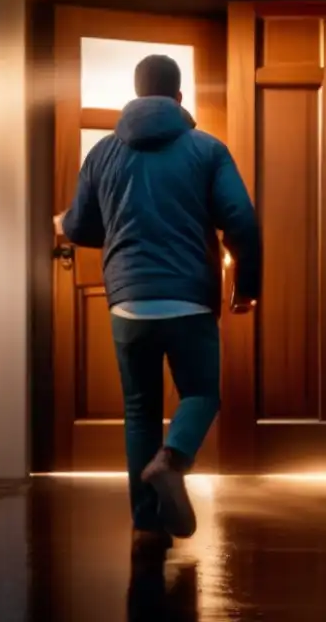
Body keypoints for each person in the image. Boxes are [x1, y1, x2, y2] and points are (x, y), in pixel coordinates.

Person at [55, 54, 261, 561]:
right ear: (179, 98)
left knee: (139, 411)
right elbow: (242, 221)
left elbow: (79, 227)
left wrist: (85, 223)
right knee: (202, 394)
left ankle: (147, 526)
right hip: (189, 300)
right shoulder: (206, 150)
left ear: (135, 94)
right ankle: (172, 460)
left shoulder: (103, 152)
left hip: (127, 304)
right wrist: (246, 286)